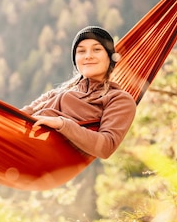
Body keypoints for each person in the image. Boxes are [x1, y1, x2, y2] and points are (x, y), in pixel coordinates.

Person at [21, 26, 137, 159]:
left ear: (109, 58)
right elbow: (22, 113)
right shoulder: (56, 93)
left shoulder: (119, 99)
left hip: (42, 154)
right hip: (22, 142)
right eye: (81, 51)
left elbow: (106, 147)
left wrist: (61, 124)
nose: (88, 56)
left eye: (97, 49)